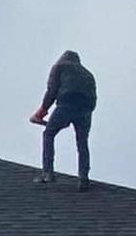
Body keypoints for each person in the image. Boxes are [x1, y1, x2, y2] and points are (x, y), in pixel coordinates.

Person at [28, 50, 97, 188]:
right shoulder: (88, 74)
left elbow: (52, 91)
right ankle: (83, 178)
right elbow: (94, 97)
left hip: (67, 103)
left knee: (48, 134)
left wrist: (41, 113)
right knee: (82, 142)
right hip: (86, 109)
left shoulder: (60, 66)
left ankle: (48, 173)